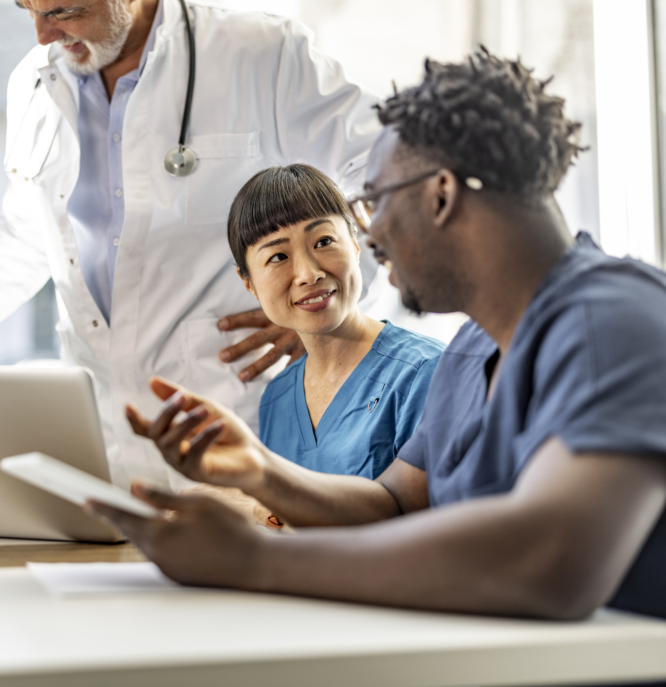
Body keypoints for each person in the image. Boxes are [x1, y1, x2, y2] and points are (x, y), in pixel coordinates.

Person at [91, 51, 666, 626]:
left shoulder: (615, 320)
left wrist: (255, 559)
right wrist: (261, 472)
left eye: (375, 201)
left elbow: (551, 563)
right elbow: (393, 505)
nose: (373, 231)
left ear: (440, 195)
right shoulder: (473, 350)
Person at [0, 0, 383, 489]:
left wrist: (333, 306)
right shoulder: (34, 81)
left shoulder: (261, 52)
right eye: (29, 10)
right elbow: (29, 232)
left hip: (244, 407)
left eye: (64, 11)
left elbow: (384, 183)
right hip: (105, 426)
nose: (43, 34)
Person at [226, 164, 442, 480]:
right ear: (248, 283)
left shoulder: (427, 372)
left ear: (355, 245)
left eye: (324, 241)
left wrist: (257, 510)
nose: (309, 273)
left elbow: (426, 517)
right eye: (278, 257)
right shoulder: (276, 399)